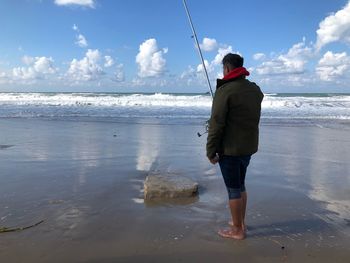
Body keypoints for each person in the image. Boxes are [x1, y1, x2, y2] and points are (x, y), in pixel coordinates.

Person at [206, 53, 264, 240]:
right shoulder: (255, 90)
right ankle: (240, 221)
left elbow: (216, 123)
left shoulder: (225, 91)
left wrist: (210, 150)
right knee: (240, 185)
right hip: (248, 147)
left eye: (223, 69)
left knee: (233, 189)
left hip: (230, 149)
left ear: (227, 69)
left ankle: (238, 230)